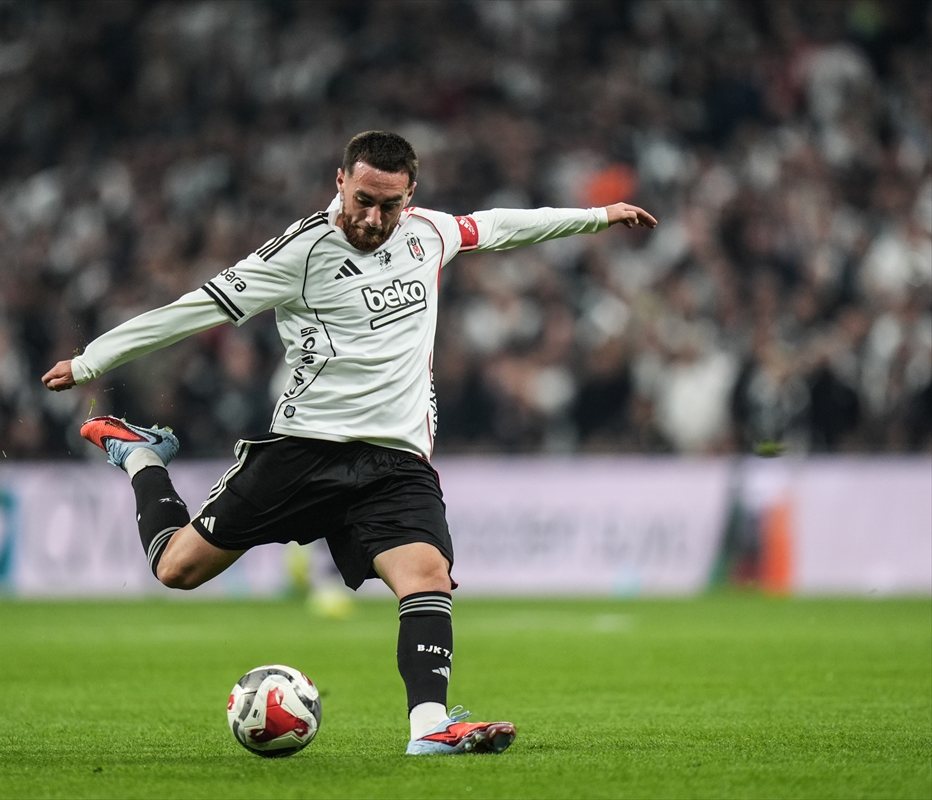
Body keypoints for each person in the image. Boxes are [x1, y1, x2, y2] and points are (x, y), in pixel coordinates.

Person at [42, 130, 656, 755]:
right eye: (363, 200)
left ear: (410, 195)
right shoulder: (300, 252)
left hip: (395, 459)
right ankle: (141, 455)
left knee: (427, 575)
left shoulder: (427, 233)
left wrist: (598, 216)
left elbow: (497, 226)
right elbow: (195, 308)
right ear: (340, 182)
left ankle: (429, 728)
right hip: (306, 450)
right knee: (177, 569)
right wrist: (91, 361)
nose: (373, 218)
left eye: (389, 205)